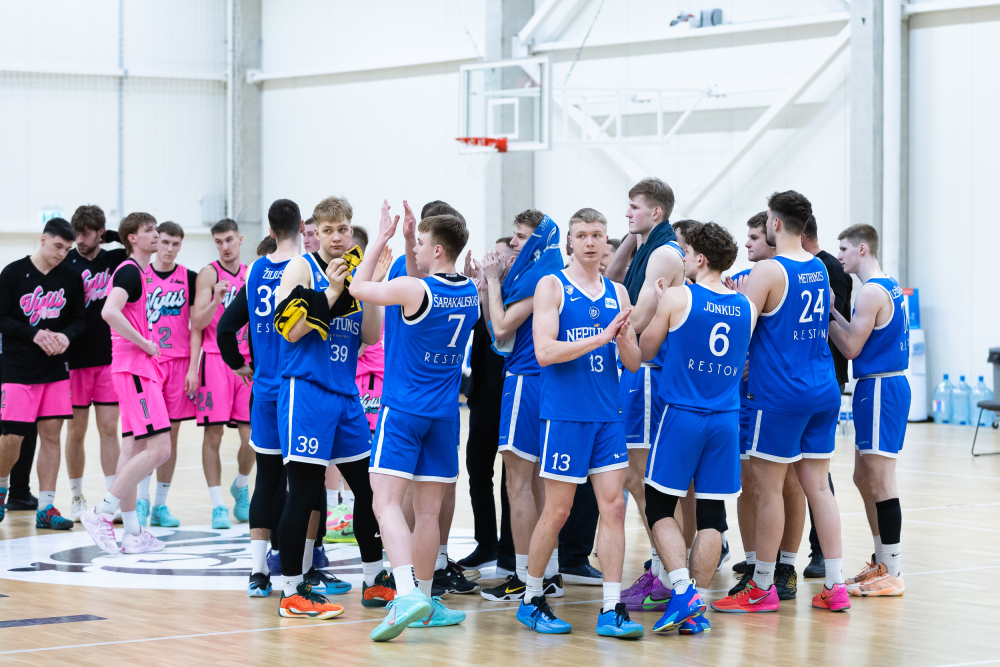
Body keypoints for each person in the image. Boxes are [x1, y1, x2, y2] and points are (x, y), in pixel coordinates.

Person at [712, 190, 848, 614]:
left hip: (781, 394)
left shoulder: (768, 270)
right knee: (818, 488)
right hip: (823, 389)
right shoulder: (819, 268)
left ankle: (762, 586)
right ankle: (836, 585)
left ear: (774, 222)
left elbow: (740, 330)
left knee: (767, 490)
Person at [351, 201, 479, 641]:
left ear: (438, 250)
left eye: (423, 243)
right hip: (444, 416)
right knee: (428, 514)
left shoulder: (413, 290)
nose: (418, 249)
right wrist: (409, 240)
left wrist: (383, 238)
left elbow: (358, 287)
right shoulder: (470, 293)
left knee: (384, 503)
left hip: (403, 411)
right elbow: (418, 286)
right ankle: (426, 600)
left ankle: (405, 592)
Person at [516, 207, 644, 639]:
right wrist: (601, 337)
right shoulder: (552, 285)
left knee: (614, 507)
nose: (590, 242)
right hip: (565, 415)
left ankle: (611, 607)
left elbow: (633, 362)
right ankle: (532, 598)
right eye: (582, 235)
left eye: (597, 235)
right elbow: (545, 352)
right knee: (558, 510)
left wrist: (623, 342)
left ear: (607, 241)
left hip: (608, 415)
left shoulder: (619, 293)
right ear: (570, 241)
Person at [272, 196, 387, 618]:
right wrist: (335, 290)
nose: (337, 237)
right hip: (306, 391)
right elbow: (290, 331)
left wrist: (371, 288)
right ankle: (290, 591)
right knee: (304, 492)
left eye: (343, 229)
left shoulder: (357, 269)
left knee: (368, 490)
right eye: (328, 230)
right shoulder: (300, 268)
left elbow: (370, 336)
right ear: (314, 232)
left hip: (344, 393)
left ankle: (374, 580)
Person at [640, 221, 755, 636]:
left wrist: (661, 308)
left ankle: (682, 589)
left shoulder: (678, 296)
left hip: (682, 415)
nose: (683, 258)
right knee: (712, 516)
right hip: (725, 420)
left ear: (700, 258)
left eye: (686, 252)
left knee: (658, 506)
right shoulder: (746, 306)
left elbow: (646, 350)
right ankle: (697, 607)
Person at [217, 199, 310, 598]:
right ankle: (299, 568)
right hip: (299, 390)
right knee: (302, 482)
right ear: (302, 227)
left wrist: (240, 365)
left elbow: (225, 328)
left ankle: (258, 572)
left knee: (267, 480)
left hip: (265, 388)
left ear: (270, 232)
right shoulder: (307, 268)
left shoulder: (255, 270)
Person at [603, 178, 684, 607]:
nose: (627, 213)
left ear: (656, 212)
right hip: (639, 371)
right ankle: (663, 568)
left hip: (650, 371)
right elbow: (612, 280)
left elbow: (638, 319)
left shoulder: (665, 252)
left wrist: (599, 333)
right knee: (638, 479)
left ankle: (668, 573)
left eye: (634, 207)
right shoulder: (645, 246)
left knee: (647, 481)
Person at [479, 210, 564, 602]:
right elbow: (498, 333)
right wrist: (489, 289)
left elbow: (500, 328)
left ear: (538, 242)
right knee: (538, 484)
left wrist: (493, 281)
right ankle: (548, 572)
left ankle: (524, 575)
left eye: (521, 236)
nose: (514, 243)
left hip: (527, 381)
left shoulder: (537, 278)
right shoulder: (546, 274)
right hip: (547, 382)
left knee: (518, 484)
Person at [80, 213, 173, 554]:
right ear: (132, 238)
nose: (156, 234)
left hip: (133, 369)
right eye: (150, 230)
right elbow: (109, 312)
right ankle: (101, 513)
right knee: (160, 450)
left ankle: (133, 533)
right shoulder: (130, 270)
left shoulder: (138, 272)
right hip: (134, 369)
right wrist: (145, 343)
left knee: (132, 450)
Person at [725, 213, 806, 602]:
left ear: (774, 238)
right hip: (743, 398)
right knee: (749, 483)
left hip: (779, 395)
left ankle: (785, 567)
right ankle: (756, 563)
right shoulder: (738, 280)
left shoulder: (792, 276)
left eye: (755, 237)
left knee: (789, 484)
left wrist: (752, 356)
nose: (747, 243)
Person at [829, 223, 909, 597]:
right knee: (863, 477)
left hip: (881, 387)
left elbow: (850, 348)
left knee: (881, 480)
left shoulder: (871, 292)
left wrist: (825, 316)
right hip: (876, 386)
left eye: (844, 248)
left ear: (862, 249)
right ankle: (882, 562)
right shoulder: (886, 284)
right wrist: (834, 312)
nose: (839, 255)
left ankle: (892, 570)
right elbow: (858, 335)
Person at [0, 218, 86, 528]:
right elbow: (2, 318)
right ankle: (1, 489)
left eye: (67, 248)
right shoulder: (13, 273)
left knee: (52, 437)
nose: (62, 253)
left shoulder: (71, 276)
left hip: (55, 369)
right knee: (12, 437)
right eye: (58, 246)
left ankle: (46, 508)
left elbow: (80, 319)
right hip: (18, 368)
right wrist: (33, 333)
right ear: (43, 240)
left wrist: (66, 336)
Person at [187, 219, 254, 528]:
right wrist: (215, 299)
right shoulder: (208, 274)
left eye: (229, 240)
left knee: (252, 438)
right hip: (215, 359)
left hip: (246, 362)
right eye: (218, 241)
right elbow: (197, 324)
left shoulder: (252, 272)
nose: (224, 246)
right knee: (213, 434)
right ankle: (217, 505)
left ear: (240, 240)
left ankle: (241, 486)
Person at [64, 205, 127, 521]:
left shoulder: (114, 259)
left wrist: (107, 235)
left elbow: (133, 243)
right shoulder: (66, 261)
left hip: (107, 358)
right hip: (74, 360)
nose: (80, 240)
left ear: (100, 233)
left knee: (109, 429)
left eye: (86, 234)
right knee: (76, 430)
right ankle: (76, 496)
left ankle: (110, 498)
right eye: (76, 233)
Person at [136, 221, 198, 528]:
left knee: (170, 435)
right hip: (149, 363)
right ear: (156, 242)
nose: (169, 249)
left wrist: (194, 367)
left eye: (175, 244)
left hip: (179, 364)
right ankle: (141, 500)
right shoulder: (139, 275)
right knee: (147, 434)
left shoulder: (190, 277)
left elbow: (198, 326)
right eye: (165, 242)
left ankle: (160, 504)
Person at [458, 238, 514, 573]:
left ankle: (509, 548)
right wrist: (471, 284)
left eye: (500, 257)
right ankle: (486, 543)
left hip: (510, 393)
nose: (492, 261)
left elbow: (500, 335)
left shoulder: (518, 293)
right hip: (480, 394)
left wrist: (488, 288)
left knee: (512, 477)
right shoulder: (484, 290)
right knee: (478, 470)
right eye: (491, 255)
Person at [800, 213, 850, 577]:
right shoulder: (808, 268)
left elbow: (832, 324)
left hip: (822, 378)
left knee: (817, 473)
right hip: (810, 379)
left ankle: (821, 552)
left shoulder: (826, 269)